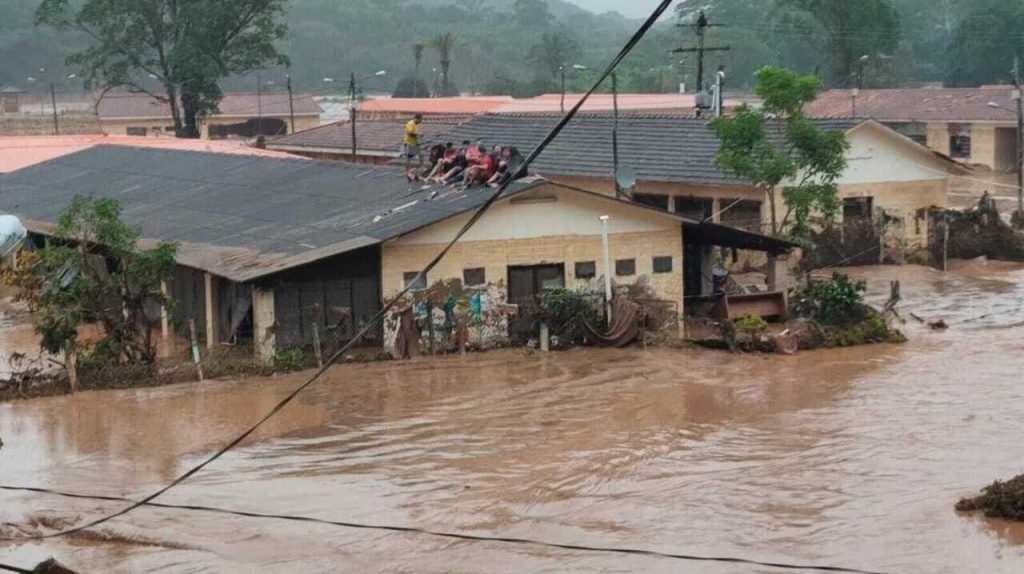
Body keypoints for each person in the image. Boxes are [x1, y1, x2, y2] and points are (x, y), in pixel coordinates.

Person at [402, 114, 423, 182]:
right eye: (421, 119)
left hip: (413, 144)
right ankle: (408, 173)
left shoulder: (414, 124)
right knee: (409, 158)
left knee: (420, 155)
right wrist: (418, 134)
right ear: (417, 118)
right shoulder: (411, 123)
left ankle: (417, 170)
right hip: (408, 143)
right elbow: (410, 132)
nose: (421, 121)